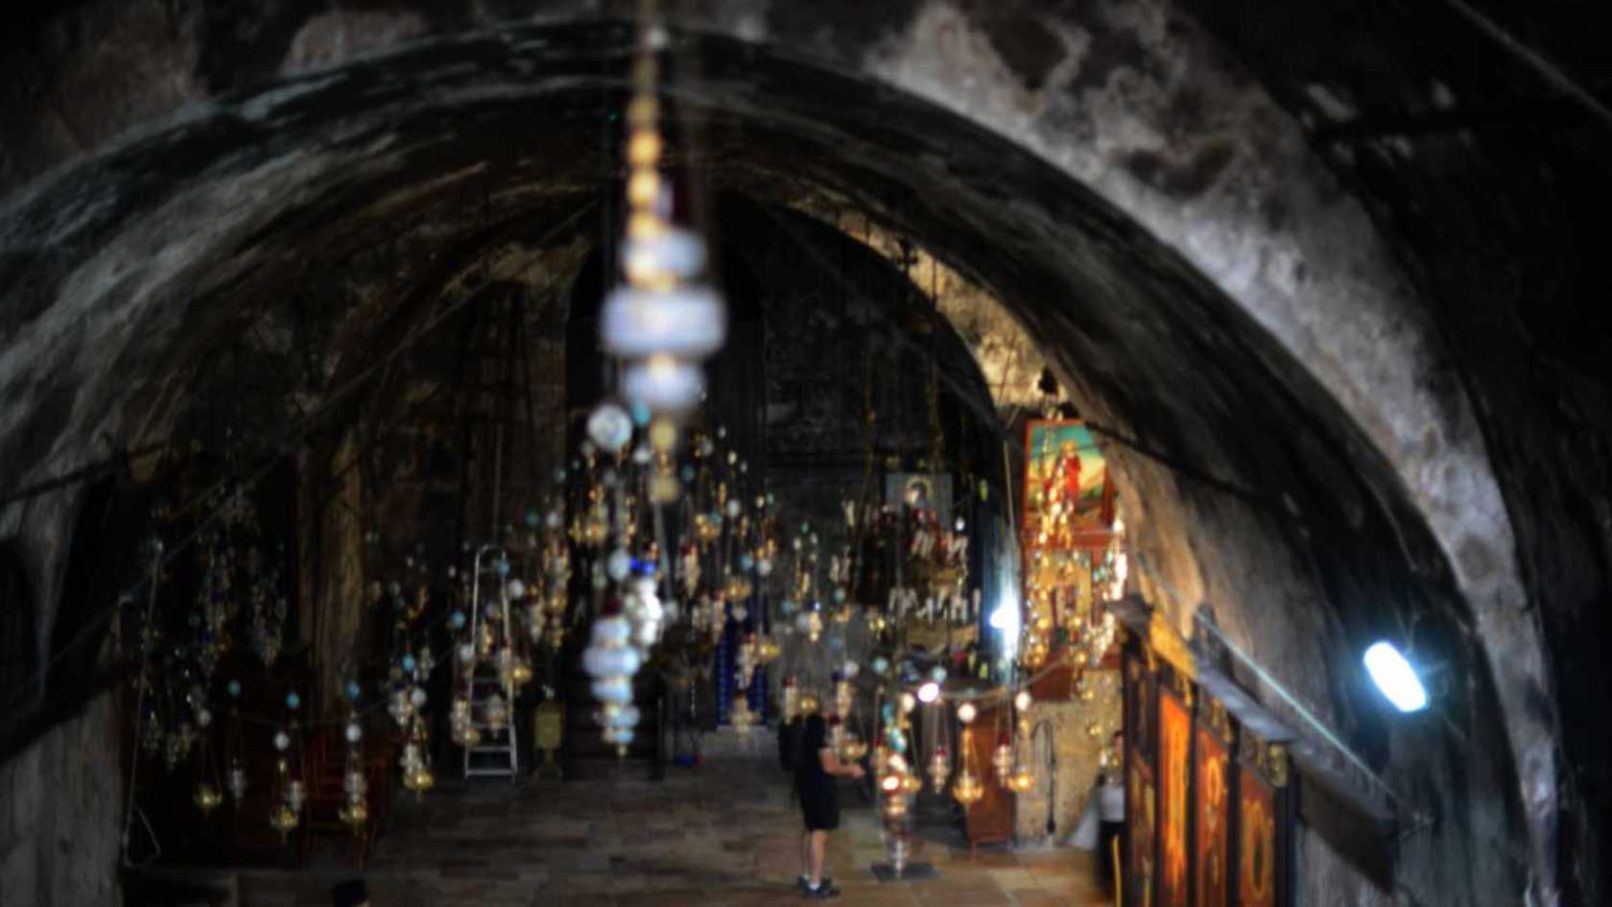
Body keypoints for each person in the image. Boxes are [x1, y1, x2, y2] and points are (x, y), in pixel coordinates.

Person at [795, 711, 864, 898]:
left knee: (809, 830)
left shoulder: (805, 740)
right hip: (820, 792)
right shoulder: (821, 743)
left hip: (807, 788)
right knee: (819, 835)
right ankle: (815, 884)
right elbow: (830, 767)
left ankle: (807, 875)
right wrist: (851, 769)